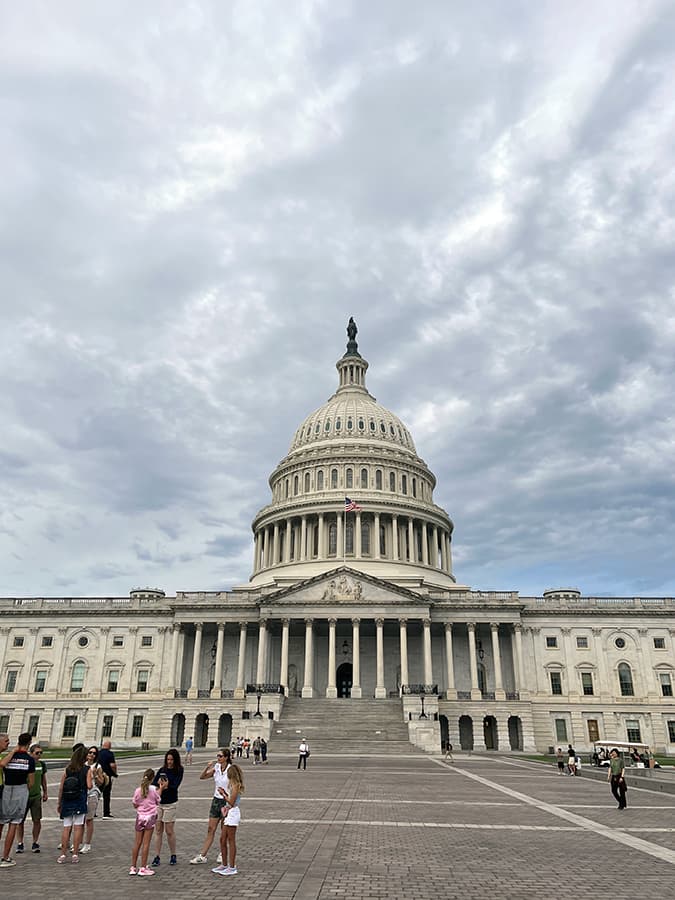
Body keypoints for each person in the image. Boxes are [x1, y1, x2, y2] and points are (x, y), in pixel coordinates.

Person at [189, 748, 231, 864]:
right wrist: (207, 767)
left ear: (226, 758)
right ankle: (203, 855)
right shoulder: (217, 767)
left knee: (224, 830)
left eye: (220, 756)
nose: (218, 758)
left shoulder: (231, 770)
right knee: (210, 829)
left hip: (226, 802)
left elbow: (236, 785)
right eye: (218, 756)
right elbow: (202, 777)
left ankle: (223, 853)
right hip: (216, 800)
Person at [0, 732, 35, 868]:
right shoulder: (29, 760)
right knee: (13, 824)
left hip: (7, 789)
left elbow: (3, 765)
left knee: (2, 821)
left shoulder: (9, 757)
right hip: (20, 789)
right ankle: (5, 856)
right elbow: (31, 782)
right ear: (29, 743)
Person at [57, 744, 92, 864]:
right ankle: (75, 854)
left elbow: (61, 786)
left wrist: (59, 802)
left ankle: (62, 854)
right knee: (78, 827)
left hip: (67, 799)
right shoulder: (86, 769)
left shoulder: (68, 769)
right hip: (80, 799)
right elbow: (89, 785)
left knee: (66, 827)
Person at [151, 748, 184, 867]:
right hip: (160, 803)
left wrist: (167, 784)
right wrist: (159, 784)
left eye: (171, 760)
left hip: (171, 803)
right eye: (168, 759)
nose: (169, 762)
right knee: (158, 830)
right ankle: (157, 856)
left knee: (169, 830)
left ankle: (173, 854)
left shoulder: (179, 770)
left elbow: (176, 785)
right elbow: (153, 784)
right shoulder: (162, 770)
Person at [212, 763, 244, 876]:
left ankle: (232, 866)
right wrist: (225, 793)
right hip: (229, 812)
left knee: (231, 840)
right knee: (222, 839)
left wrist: (223, 795)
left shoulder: (236, 786)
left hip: (233, 813)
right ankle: (224, 864)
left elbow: (231, 801)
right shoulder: (232, 786)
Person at [130, 768, 164, 875]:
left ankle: (133, 867)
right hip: (150, 817)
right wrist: (162, 788)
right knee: (146, 843)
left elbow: (135, 804)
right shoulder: (153, 789)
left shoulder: (138, 790)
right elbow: (158, 801)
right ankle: (143, 867)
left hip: (140, 817)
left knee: (137, 843)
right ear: (153, 778)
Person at [16, 743, 48, 853]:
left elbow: (43, 779)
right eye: (37, 753)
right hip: (24, 795)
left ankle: (35, 842)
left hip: (36, 796)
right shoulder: (26, 764)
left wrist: (45, 792)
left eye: (41, 753)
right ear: (31, 753)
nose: (39, 755)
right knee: (20, 820)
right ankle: (20, 843)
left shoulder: (41, 765)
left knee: (37, 820)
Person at [81, 746, 107, 853]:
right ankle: (78, 842)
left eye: (94, 753)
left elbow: (101, 782)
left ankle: (87, 844)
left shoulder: (98, 766)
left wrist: (96, 774)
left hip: (92, 794)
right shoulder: (82, 765)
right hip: (82, 794)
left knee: (89, 819)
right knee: (80, 820)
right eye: (90, 752)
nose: (91, 754)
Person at [97, 740, 118, 818]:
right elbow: (112, 765)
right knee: (106, 795)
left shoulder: (97, 753)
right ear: (109, 746)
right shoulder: (110, 754)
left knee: (96, 794)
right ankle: (106, 813)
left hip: (98, 776)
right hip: (106, 776)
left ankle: (93, 812)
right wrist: (115, 773)